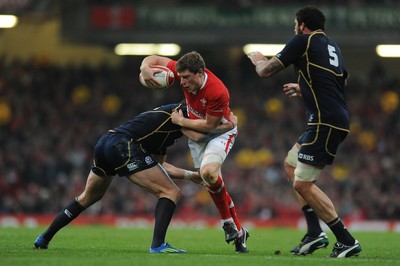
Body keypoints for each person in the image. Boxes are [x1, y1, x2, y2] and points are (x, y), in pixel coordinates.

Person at [33, 102, 236, 253]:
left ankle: (44, 238)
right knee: (171, 192)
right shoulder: (182, 113)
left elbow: (158, 166)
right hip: (123, 145)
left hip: (106, 142)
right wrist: (227, 127)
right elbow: (199, 136)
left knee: (88, 197)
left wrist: (191, 175)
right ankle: (158, 246)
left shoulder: (163, 134)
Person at [247, 6, 361, 258]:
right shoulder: (332, 46)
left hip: (325, 121)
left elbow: (266, 71)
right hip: (328, 118)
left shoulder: (302, 40)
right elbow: (341, 80)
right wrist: (305, 88)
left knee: (303, 183)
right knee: (290, 165)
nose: (293, 27)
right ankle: (314, 233)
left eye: (294, 23)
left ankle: (346, 239)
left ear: (302, 24)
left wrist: (257, 59)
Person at [140, 51, 249, 253]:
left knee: (208, 174)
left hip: (219, 133)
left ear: (200, 73)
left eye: (187, 78)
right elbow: (154, 58)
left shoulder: (218, 91)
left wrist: (181, 122)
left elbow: (207, 127)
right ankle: (239, 231)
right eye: (180, 77)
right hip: (196, 131)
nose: (182, 82)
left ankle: (227, 223)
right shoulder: (183, 72)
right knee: (209, 178)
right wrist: (145, 68)